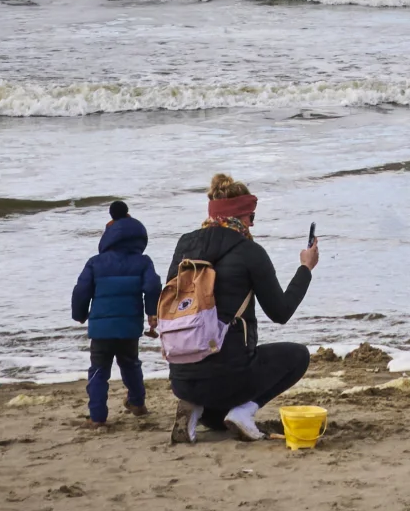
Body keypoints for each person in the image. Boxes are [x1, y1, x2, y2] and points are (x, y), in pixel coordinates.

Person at [162, 174, 319, 444]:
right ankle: (244, 412)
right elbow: (280, 313)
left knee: (216, 417)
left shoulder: (184, 245)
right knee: (298, 356)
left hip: (181, 378)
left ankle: (193, 406)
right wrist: (305, 268)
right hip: (229, 378)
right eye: (251, 217)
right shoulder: (249, 251)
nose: (252, 223)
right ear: (240, 215)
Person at [70, 199, 157, 426]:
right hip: (129, 327)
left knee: (99, 370)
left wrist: (80, 314)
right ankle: (137, 403)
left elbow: (81, 290)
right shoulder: (143, 262)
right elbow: (152, 287)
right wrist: (152, 313)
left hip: (102, 328)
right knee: (131, 364)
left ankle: (98, 416)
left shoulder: (96, 263)